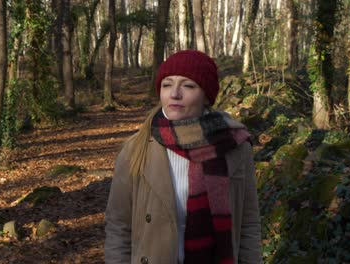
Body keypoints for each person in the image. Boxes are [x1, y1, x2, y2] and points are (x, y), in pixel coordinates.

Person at [104, 50, 262, 264]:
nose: (174, 94)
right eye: (167, 84)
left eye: (188, 86)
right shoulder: (136, 147)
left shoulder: (235, 146)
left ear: (206, 95)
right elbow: (118, 226)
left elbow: (248, 223)